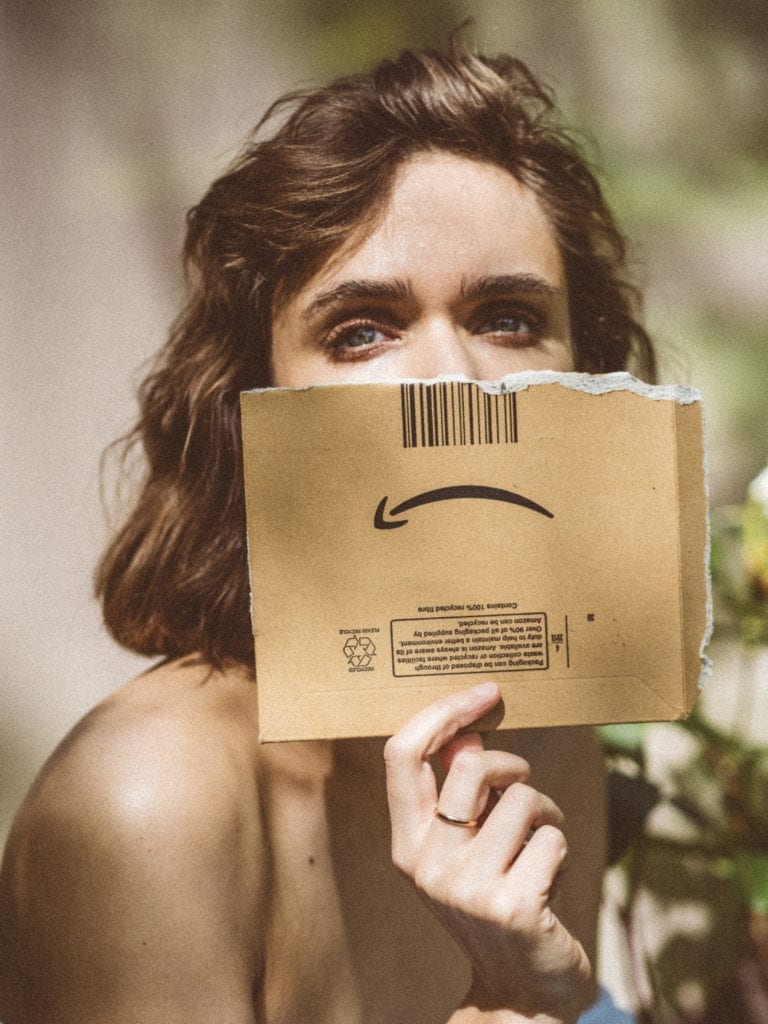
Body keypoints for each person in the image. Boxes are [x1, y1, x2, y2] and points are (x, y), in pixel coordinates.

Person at [0, 38, 653, 1024]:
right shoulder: (152, 802)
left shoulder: (552, 737)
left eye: (509, 318)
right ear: (251, 399)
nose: (451, 380)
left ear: (587, 377)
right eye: (363, 329)